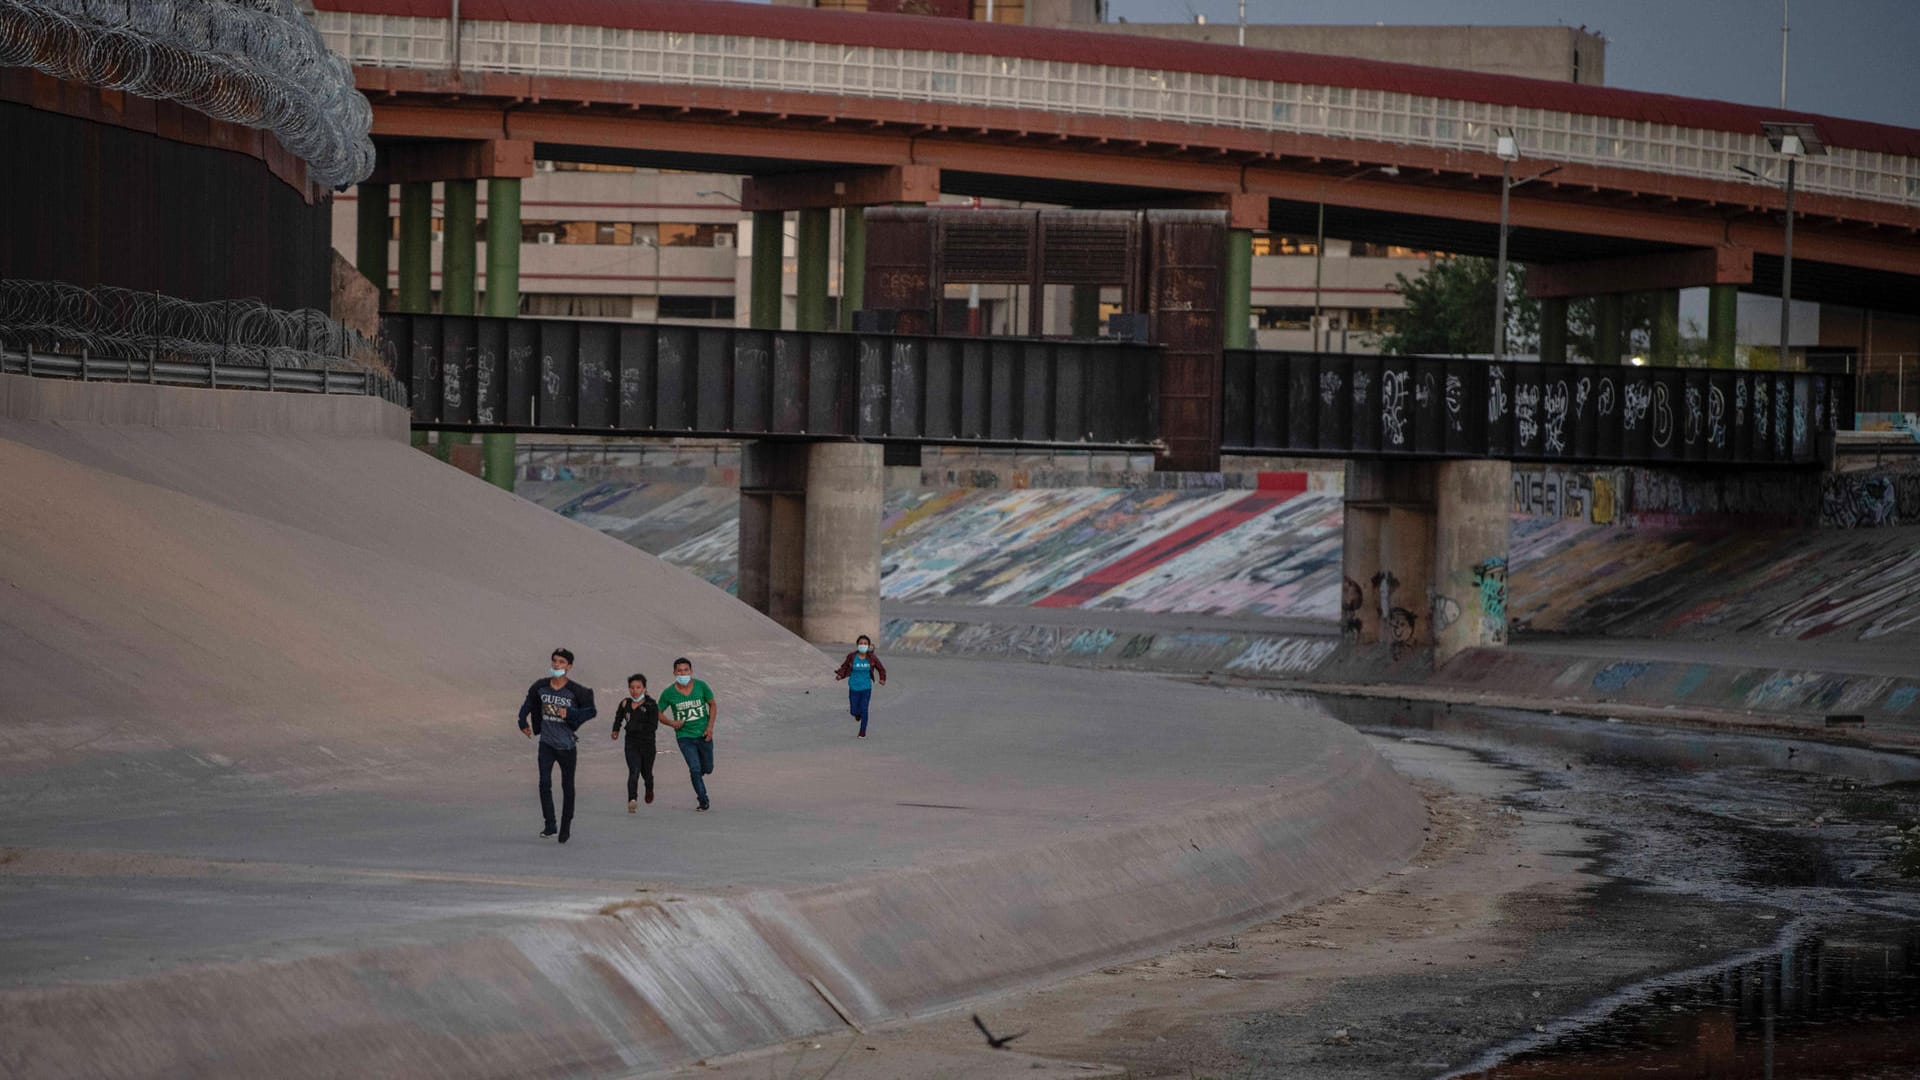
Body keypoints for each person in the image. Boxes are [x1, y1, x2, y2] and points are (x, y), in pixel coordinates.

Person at [517, 648, 597, 843]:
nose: (556, 665)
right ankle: (550, 824)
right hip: (546, 744)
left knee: (567, 786)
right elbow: (527, 705)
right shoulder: (541, 687)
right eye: (554, 661)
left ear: (569, 667)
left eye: (561, 662)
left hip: (567, 747)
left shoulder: (576, 691)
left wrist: (570, 714)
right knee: (544, 783)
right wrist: (522, 722)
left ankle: (565, 827)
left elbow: (591, 712)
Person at [658, 657, 716, 811]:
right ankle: (703, 800)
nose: (683, 673)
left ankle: (696, 776)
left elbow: (712, 704)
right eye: (679, 671)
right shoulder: (668, 693)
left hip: (704, 734)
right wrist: (671, 722)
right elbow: (657, 712)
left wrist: (710, 727)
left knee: (708, 768)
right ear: (674, 673)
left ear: (691, 671)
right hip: (684, 737)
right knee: (695, 768)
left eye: (686, 670)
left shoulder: (701, 686)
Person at [610, 673, 658, 812]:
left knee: (646, 773)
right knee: (634, 771)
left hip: (648, 744)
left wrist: (634, 727)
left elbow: (653, 726)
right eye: (632, 687)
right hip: (631, 743)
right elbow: (619, 717)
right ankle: (632, 799)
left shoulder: (651, 705)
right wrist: (616, 730)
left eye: (638, 687)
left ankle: (649, 788)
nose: (634, 690)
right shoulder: (625, 703)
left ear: (644, 689)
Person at [833, 635, 887, 738]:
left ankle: (862, 732)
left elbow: (881, 669)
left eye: (865, 644)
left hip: (866, 688)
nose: (863, 645)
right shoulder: (852, 656)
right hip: (853, 687)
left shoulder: (872, 658)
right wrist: (840, 675)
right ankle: (857, 714)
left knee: (864, 709)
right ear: (857, 645)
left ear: (869, 645)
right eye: (861, 643)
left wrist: (882, 679)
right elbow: (844, 667)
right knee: (853, 710)